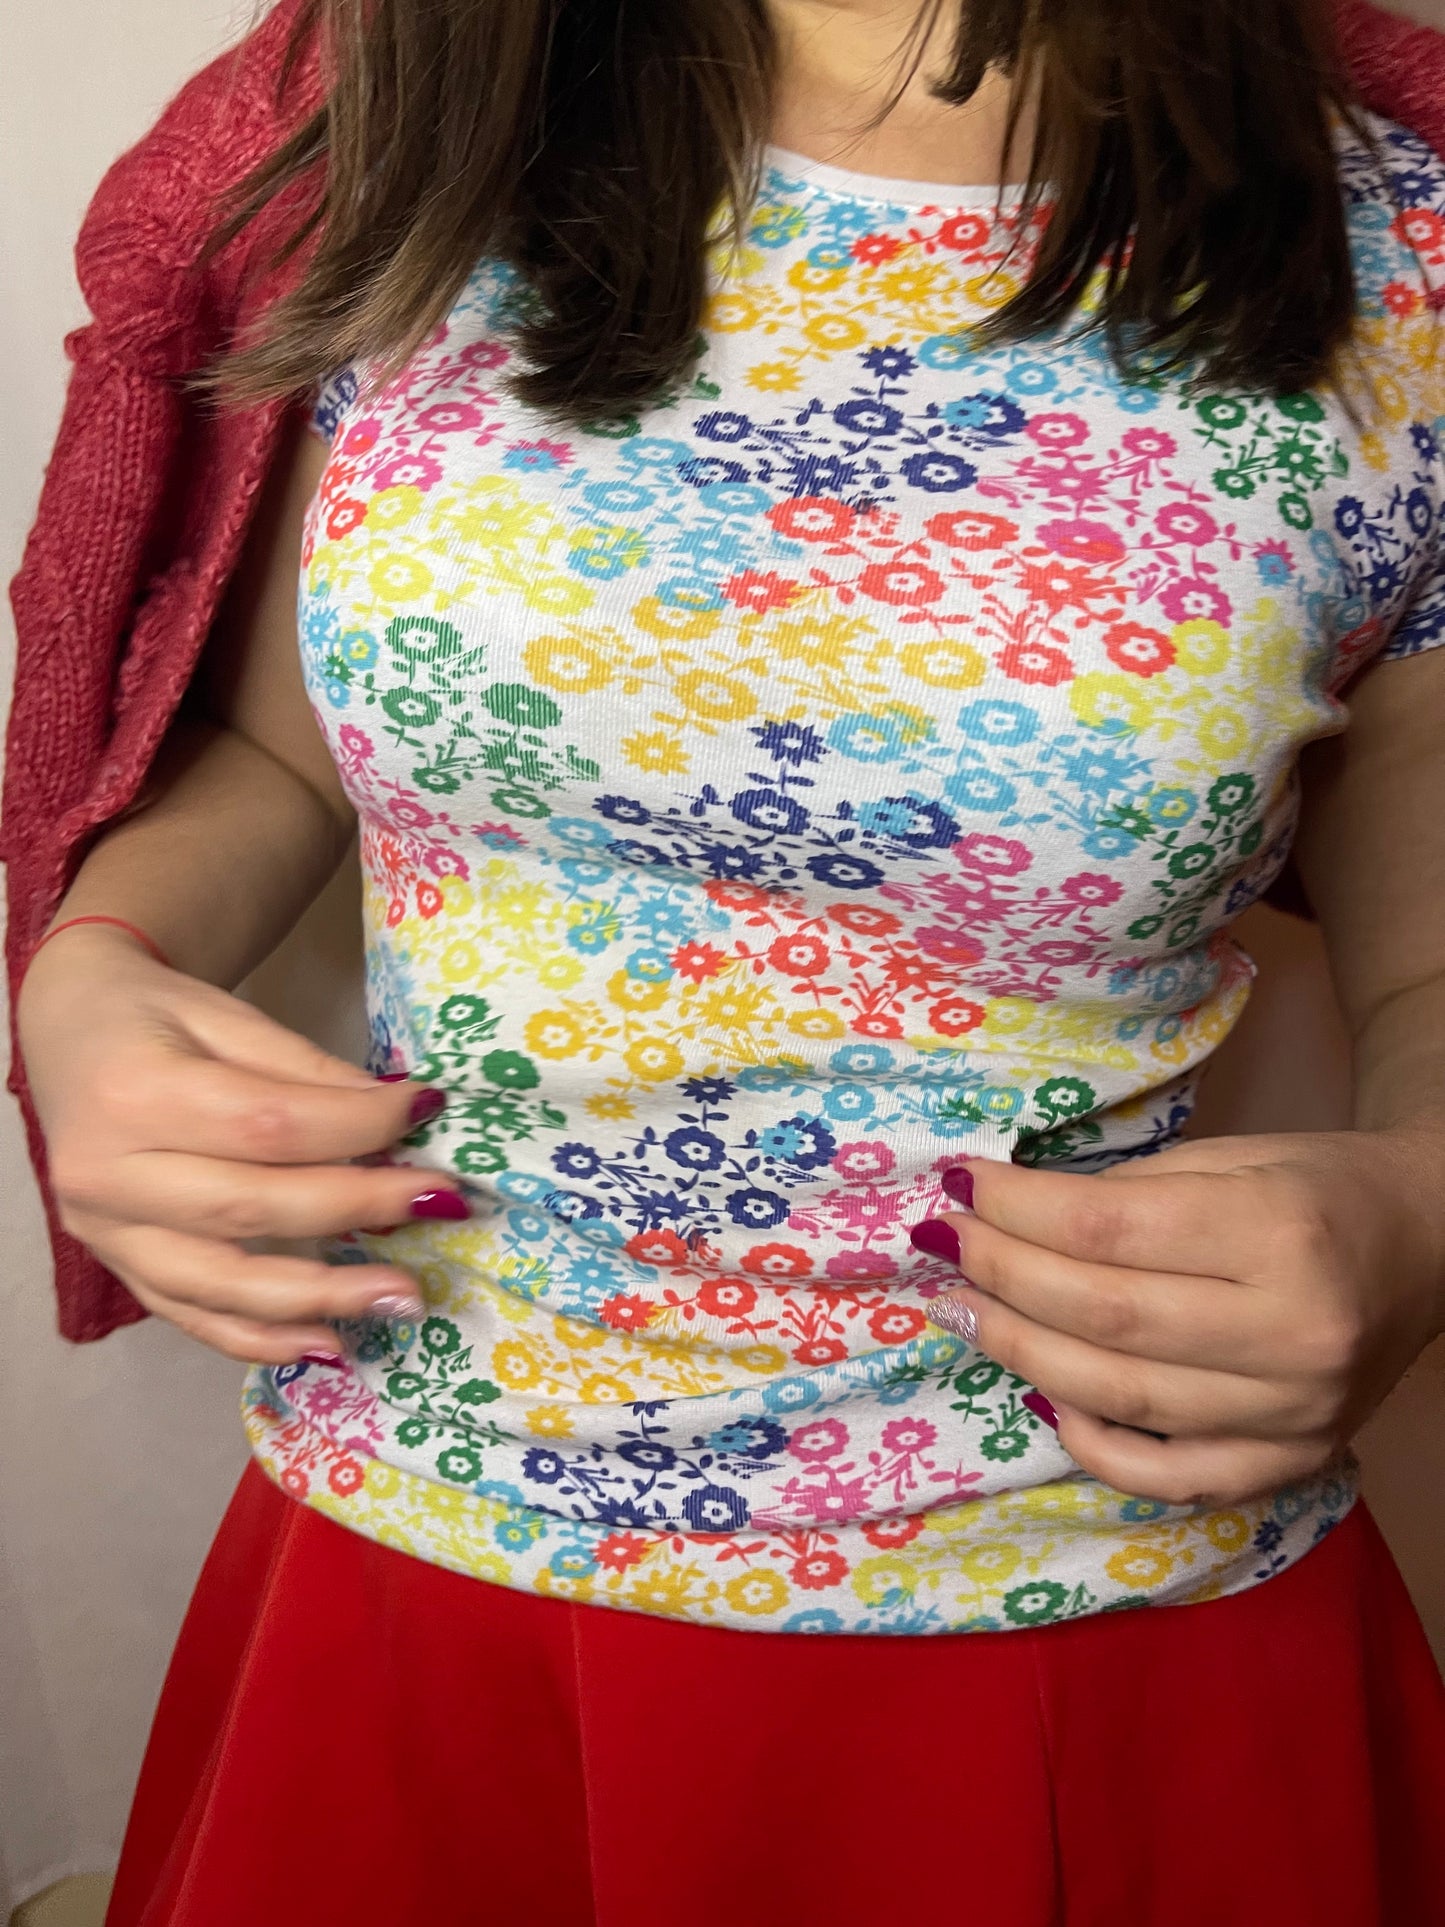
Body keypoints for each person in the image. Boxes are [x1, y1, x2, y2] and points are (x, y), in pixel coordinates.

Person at [9, 0, 1445, 1921]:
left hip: (1080, 1600)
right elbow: (281, 756)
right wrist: (91, 971)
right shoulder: (409, 160)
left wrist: (1423, 1210)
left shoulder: (1401, 263)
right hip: (413, 1554)